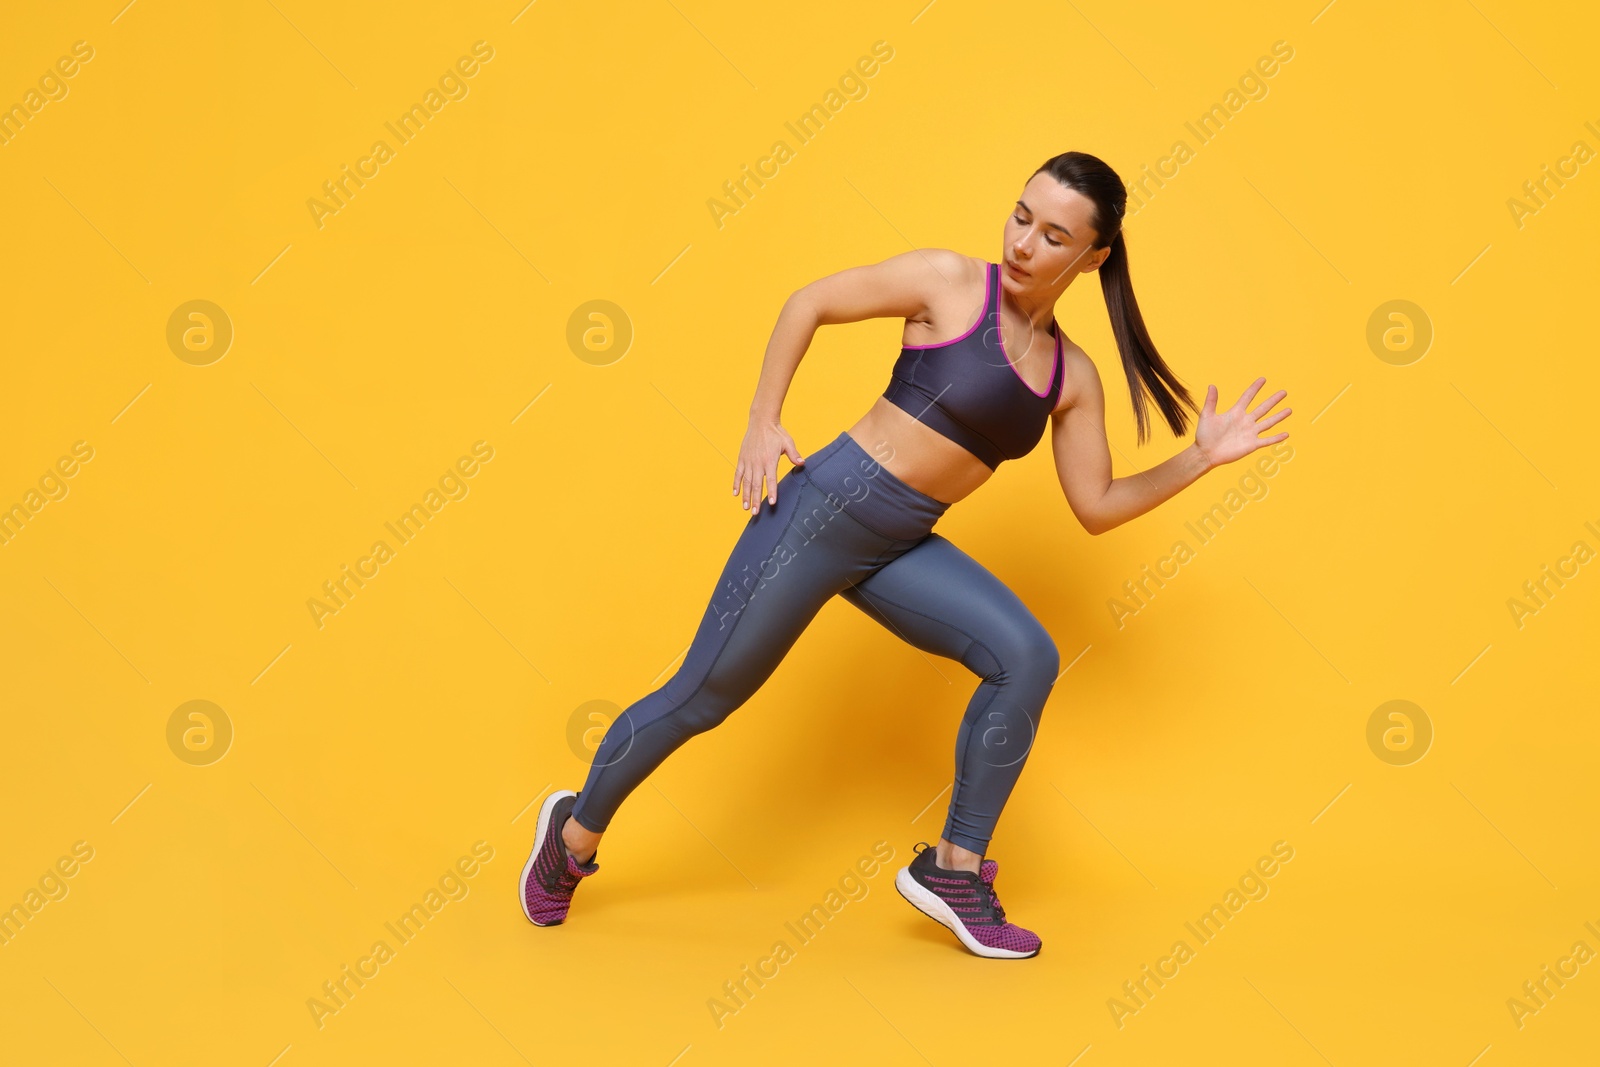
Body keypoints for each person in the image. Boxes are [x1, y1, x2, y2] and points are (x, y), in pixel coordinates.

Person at [520, 150, 1291, 958]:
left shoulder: (1073, 376)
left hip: (902, 540)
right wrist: (761, 417)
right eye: (1021, 216)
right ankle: (570, 837)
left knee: (1026, 655)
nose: (1024, 243)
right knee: (701, 697)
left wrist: (1200, 458)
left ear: (1093, 257)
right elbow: (809, 302)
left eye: (1054, 234)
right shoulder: (949, 283)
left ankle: (956, 869)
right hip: (819, 514)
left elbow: (1096, 507)